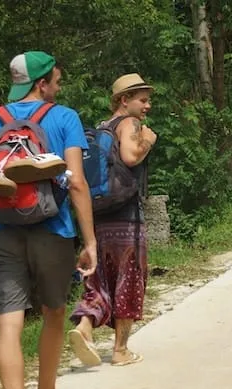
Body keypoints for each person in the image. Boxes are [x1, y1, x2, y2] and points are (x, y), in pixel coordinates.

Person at [0, 50, 97, 389]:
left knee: (9, 321)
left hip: (2, 232)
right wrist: (89, 241)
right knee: (55, 311)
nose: (58, 85)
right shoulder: (63, 117)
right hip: (52, 228)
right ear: (42, 83)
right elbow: (76, 183)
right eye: (54, 79)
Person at [67, 74, 156, 368]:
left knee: (100, 280)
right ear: (123, 100)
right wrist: (149, 140)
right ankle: (120, 350)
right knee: (128, 281)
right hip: (126, 219)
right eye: (142, 100)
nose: (147, 106)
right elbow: (131, 157)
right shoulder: (128, 124)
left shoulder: (102, 128)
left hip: (99, 217)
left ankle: (84, 327)